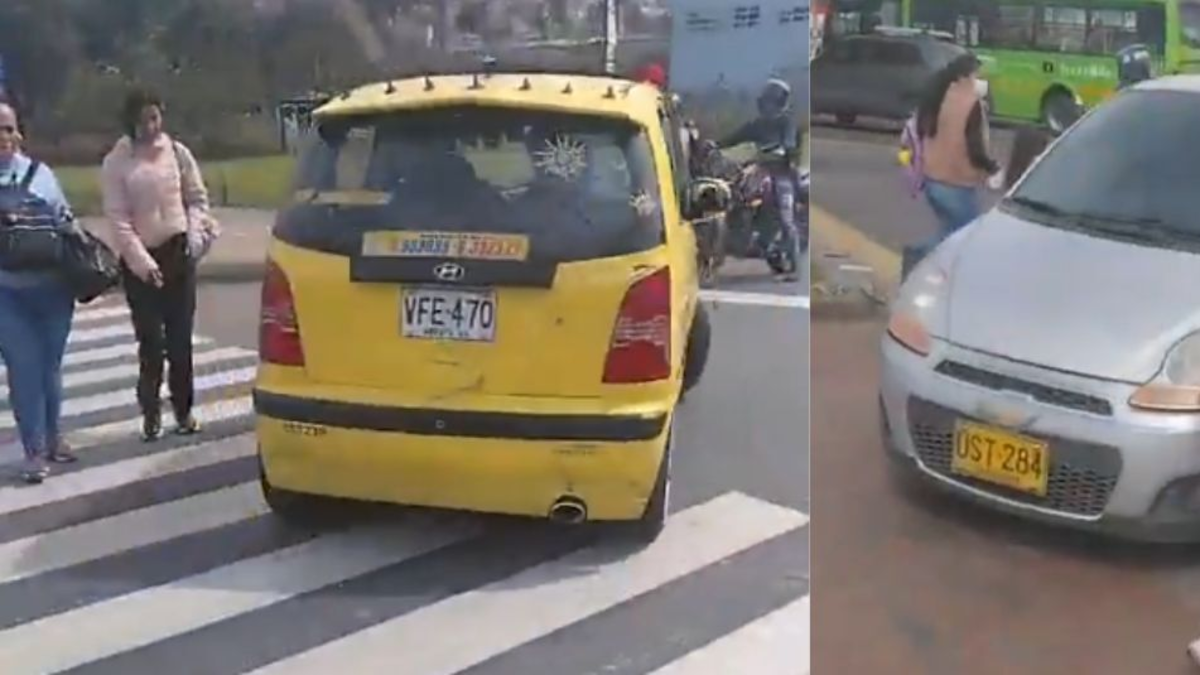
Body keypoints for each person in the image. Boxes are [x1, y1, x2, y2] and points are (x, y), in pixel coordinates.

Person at [100, 89, 215, 442]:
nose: (151, 126)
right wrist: (141, 262)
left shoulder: (177, 153)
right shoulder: (117, 162)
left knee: (181, 342)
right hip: (142, 262)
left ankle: (184, 410)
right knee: (152, 344)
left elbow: (197, 199)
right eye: (143, 119)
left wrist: (195, 238)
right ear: (130, 121)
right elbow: (118, 220)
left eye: (155, 118)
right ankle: (151, 413)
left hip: (178, 251)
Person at [0, 101, 80, 483]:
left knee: (49, 367)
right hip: (7, 294)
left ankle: (54, 437)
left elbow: (66, 219)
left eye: (8, 128)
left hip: (53, 288)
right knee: (23, 369)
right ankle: (33, 450)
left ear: (19, 133)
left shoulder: (41, 173)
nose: (3, 137)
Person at [901, 54, 1000, 278]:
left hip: (931, 179)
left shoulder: (940, 94)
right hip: (955, 183)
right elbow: (974, 147)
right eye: (978, 75)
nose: (981, 81)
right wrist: (991, 167)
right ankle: (917, 256)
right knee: (966, 238)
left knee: (949, 233)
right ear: (966, 76)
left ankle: (930, 273)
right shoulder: (970, 103)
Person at [719, 79, 803, 282]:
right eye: (765, 102)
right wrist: (715, 144)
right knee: (737, 192)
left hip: (782, 174)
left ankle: (794, 267)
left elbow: (789, 143)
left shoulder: (786, 122)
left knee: (786, 219)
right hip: (761, 171)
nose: (766, 106)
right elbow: (736, 136)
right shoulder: (758, 124)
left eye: (770, 102)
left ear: (779, 103)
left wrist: (782, 149)